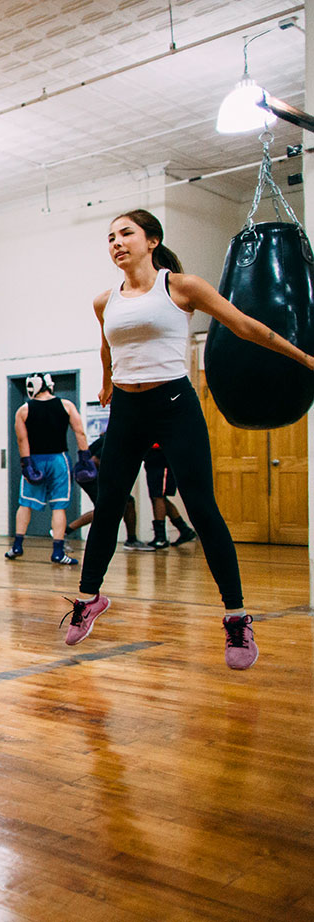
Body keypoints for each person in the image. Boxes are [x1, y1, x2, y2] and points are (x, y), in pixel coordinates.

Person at [66, 208, 314, 669]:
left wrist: (304, 357)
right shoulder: (105, 301)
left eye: (126, 234)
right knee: (109, 503)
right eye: (110, 237)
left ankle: (236, 617)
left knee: (202, 507)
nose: (117, 243)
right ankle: (88, 598)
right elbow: (107, 343)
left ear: (152, 240)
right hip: (127, 407)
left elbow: (245, 326)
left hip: (175, 404)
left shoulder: (180, 287)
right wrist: (105, 381)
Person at [4, 372, 89, 565]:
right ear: (50, 385)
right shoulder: (66, 405)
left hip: (34, 460)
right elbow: (80, 432)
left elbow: (21, 439)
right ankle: (58, 552)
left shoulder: (23, 410)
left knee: (25, 503)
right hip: (59, 460)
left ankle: (17, 546)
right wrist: (85, 458)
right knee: (58, 506)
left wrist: (26, 463)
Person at [66, 433, 150, 551]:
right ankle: (64, 531)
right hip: (90, 476)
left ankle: (132, 539)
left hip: (88, 474)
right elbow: (95, 460)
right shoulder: (118, 439)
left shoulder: (114, 435)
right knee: (105, 508)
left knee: (127, 503)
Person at [142, 445, 197, 549]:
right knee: (157, 497)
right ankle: (184, 530)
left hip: (160, 454)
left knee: (158, 496)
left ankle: (161, 537)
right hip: (155, 454)